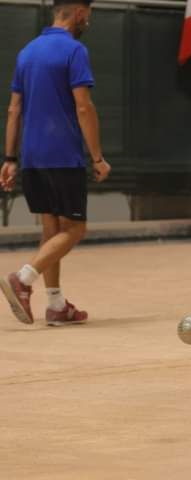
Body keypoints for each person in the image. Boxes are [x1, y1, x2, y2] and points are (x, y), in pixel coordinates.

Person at [0, 0, 111, 327]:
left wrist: (9, 158)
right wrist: (97, 157)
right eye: (88, 14)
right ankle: (23, 279)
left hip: (32, 156)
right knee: (75, 229)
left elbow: (13, 110)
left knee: (52, 230)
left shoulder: (27, 52)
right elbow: (83, 107)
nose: (88, 20)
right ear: (79, 13)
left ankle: (56, 305)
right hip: (63, 154)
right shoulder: (74, 50)